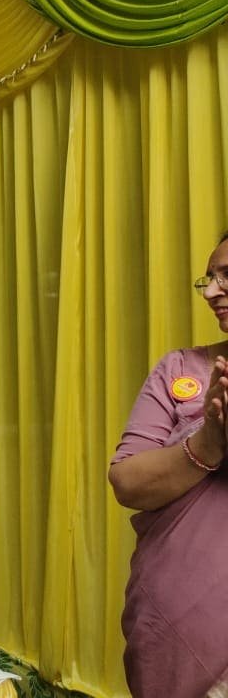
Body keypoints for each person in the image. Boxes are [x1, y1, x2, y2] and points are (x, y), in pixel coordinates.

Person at [109, 232, 228, 697]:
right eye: (209, 278)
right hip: (179, 625)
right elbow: (127, 483)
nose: (211, 291)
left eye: (226, 277)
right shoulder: (180, 369)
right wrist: (208, 443)